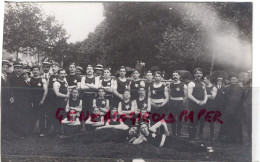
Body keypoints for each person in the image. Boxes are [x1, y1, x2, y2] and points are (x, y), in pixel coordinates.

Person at [133, 122, 213, 153]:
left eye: (145, 127)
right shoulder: (143, 138)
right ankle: (201, 146)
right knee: (185, 148)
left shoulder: (151, 129)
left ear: (147, 127)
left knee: (185, 142)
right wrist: (142, 135)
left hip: (169, 138)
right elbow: (134, 143)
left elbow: (162, 121)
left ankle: (205, 148)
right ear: (141, 130)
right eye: (142, 128)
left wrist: (166, 131)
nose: (144, 128)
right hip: (167, 145)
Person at [222, 74, 244, 143]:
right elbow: (224, 98)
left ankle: (239, 139)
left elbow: (240, 99)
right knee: (229, 123)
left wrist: (232, 100)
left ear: (237, 80)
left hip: (237, 109)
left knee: (237, 123)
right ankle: (230, 138)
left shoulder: (240, 89)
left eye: (234, 79)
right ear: (230, 80)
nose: (233, 81)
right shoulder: (227, 88)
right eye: (232, 79)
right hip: (228, 108)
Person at [187, 68, 207, 141]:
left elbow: (205, 94)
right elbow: (189, 95)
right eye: (197, 73)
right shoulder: (191, 83)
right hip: (194, 105)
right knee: (192, 120)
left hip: (202, 105)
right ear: (194, 74)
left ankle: (195, 137)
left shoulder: (203, 83)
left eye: (200, 73)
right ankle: (191, 138)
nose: (199, 75)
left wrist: (204, 101)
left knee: (199, 121)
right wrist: (197, 102)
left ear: (202, 74)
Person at [30, 65, 48, 137]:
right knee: (32, 115)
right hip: (32, 99)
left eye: (37, 70)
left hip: (40, 99)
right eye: (34, 70)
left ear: (39, 71)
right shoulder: (29, 80)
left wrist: (43, 100)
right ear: (32, 71)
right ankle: (31, 130)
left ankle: (42, 131)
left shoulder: (42, 80)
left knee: (41, 115)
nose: (35, 71)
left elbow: (45, 90)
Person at [80, 65, 99, 131]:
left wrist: (87, 84)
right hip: (85, 96)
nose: (89, 70)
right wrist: (92, 86)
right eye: (88, 69)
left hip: (93, 96)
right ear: (86, 71)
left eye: (91, 69)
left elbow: (96, 87)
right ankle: (84, 127)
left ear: (93, 71)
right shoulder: (83, 78)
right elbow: (82, 87)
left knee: (92, 111)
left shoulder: (96, 78)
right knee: (84, 111)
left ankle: (92, 127)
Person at [168, 71, 187, 137]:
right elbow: (170, 94)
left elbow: (185, 96)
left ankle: (178, 134)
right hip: (172, 103)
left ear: (179, 76)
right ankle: (173, 134)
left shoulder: (183, 84)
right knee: (172, 119)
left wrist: (182, 103)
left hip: (180, 103)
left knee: (179, 119)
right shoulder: (171, 84)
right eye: (174, 75)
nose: (175, 76)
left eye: (176, 75)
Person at [199, 75, 217, 140]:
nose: (204, 80)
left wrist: (205, 95)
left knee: (211, 121)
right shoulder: (204, 87)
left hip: (211, 107)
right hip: (204, 106)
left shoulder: (214, 87)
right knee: (202, 121)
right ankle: (200, 135)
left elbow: (213, 97)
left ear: (208, 80)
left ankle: (212, 136)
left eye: (205, 79)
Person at [53, 68, 70, 136]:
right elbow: (57, 94)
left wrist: (67, 96)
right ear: (58, 74)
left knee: (64, 116)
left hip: (65, 102)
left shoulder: (65, 82)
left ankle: (63, 131)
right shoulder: (56, 83)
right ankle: (57, 132)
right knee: (58, 117)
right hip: (57, 102)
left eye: (64, 73)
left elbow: (68, 90)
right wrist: (66, 96)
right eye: (61, 74)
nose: (63, 75)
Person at [45, 62, 60, 135]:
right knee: (49, 113)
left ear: (58, 68)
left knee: (57, 113)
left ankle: (56, 130)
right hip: (50, 98)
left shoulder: (60, 76)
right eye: (53, 67)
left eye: (56, 67)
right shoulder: (50, 77)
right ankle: (48, 130)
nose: (54, 68)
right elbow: (47, 86)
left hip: (57, 98)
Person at [1, 60, 12, 140]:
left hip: (6, 100)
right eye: (3, 67)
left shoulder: (8, 77)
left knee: (5, 117)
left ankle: (4, 136)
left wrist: (11, 96)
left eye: (6, 67)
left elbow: (10, 88)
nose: (5, 69)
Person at [242, 70, 252, 145]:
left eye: (251, 74)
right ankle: (250, 139)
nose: (249, 75)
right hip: (247, 106)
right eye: (248, 74)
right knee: (248, 122)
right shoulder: (246, 84)